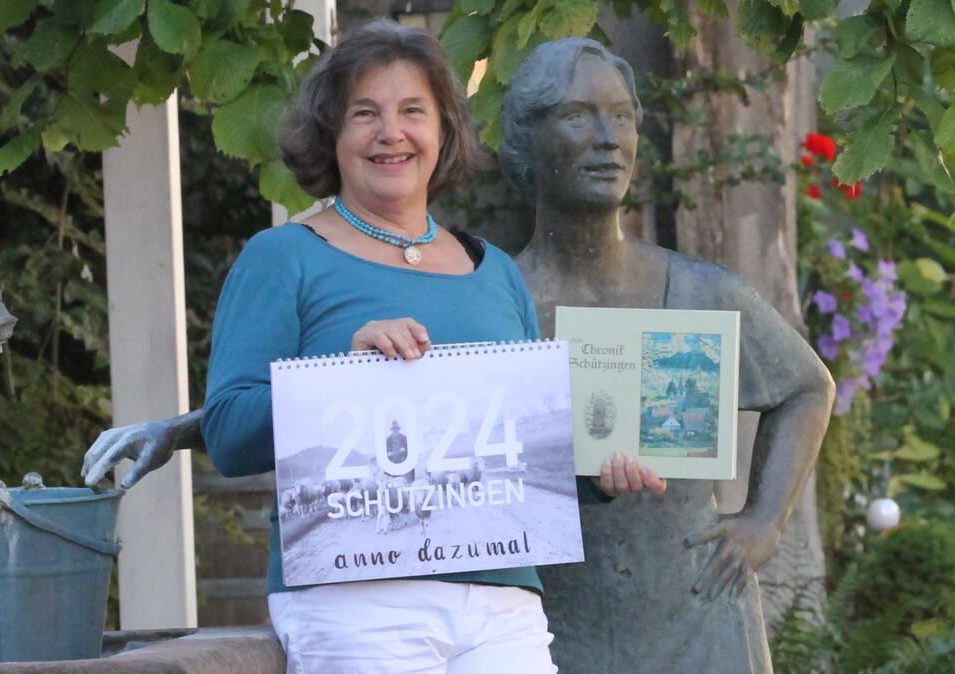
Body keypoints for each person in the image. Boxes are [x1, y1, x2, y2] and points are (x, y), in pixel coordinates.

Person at [82, 20, 662, 673]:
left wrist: (601, 475)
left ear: (443, 129)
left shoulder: (495, 270)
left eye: (413, 111)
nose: (392, 132)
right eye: (366, 114)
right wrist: (344, 375)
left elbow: (523, 456)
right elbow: (232, 432)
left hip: (502, 601)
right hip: (355, 595)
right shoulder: (283, 258)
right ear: (331, 132)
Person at [500, 37, 836, 672]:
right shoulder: (494, 303)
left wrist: (765, 521)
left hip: (700, 619)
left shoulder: (702, 293)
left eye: (622, 116)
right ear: (524, 139)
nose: (607, 137)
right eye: (577, 115)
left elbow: (807, 388)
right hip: (553, 633)